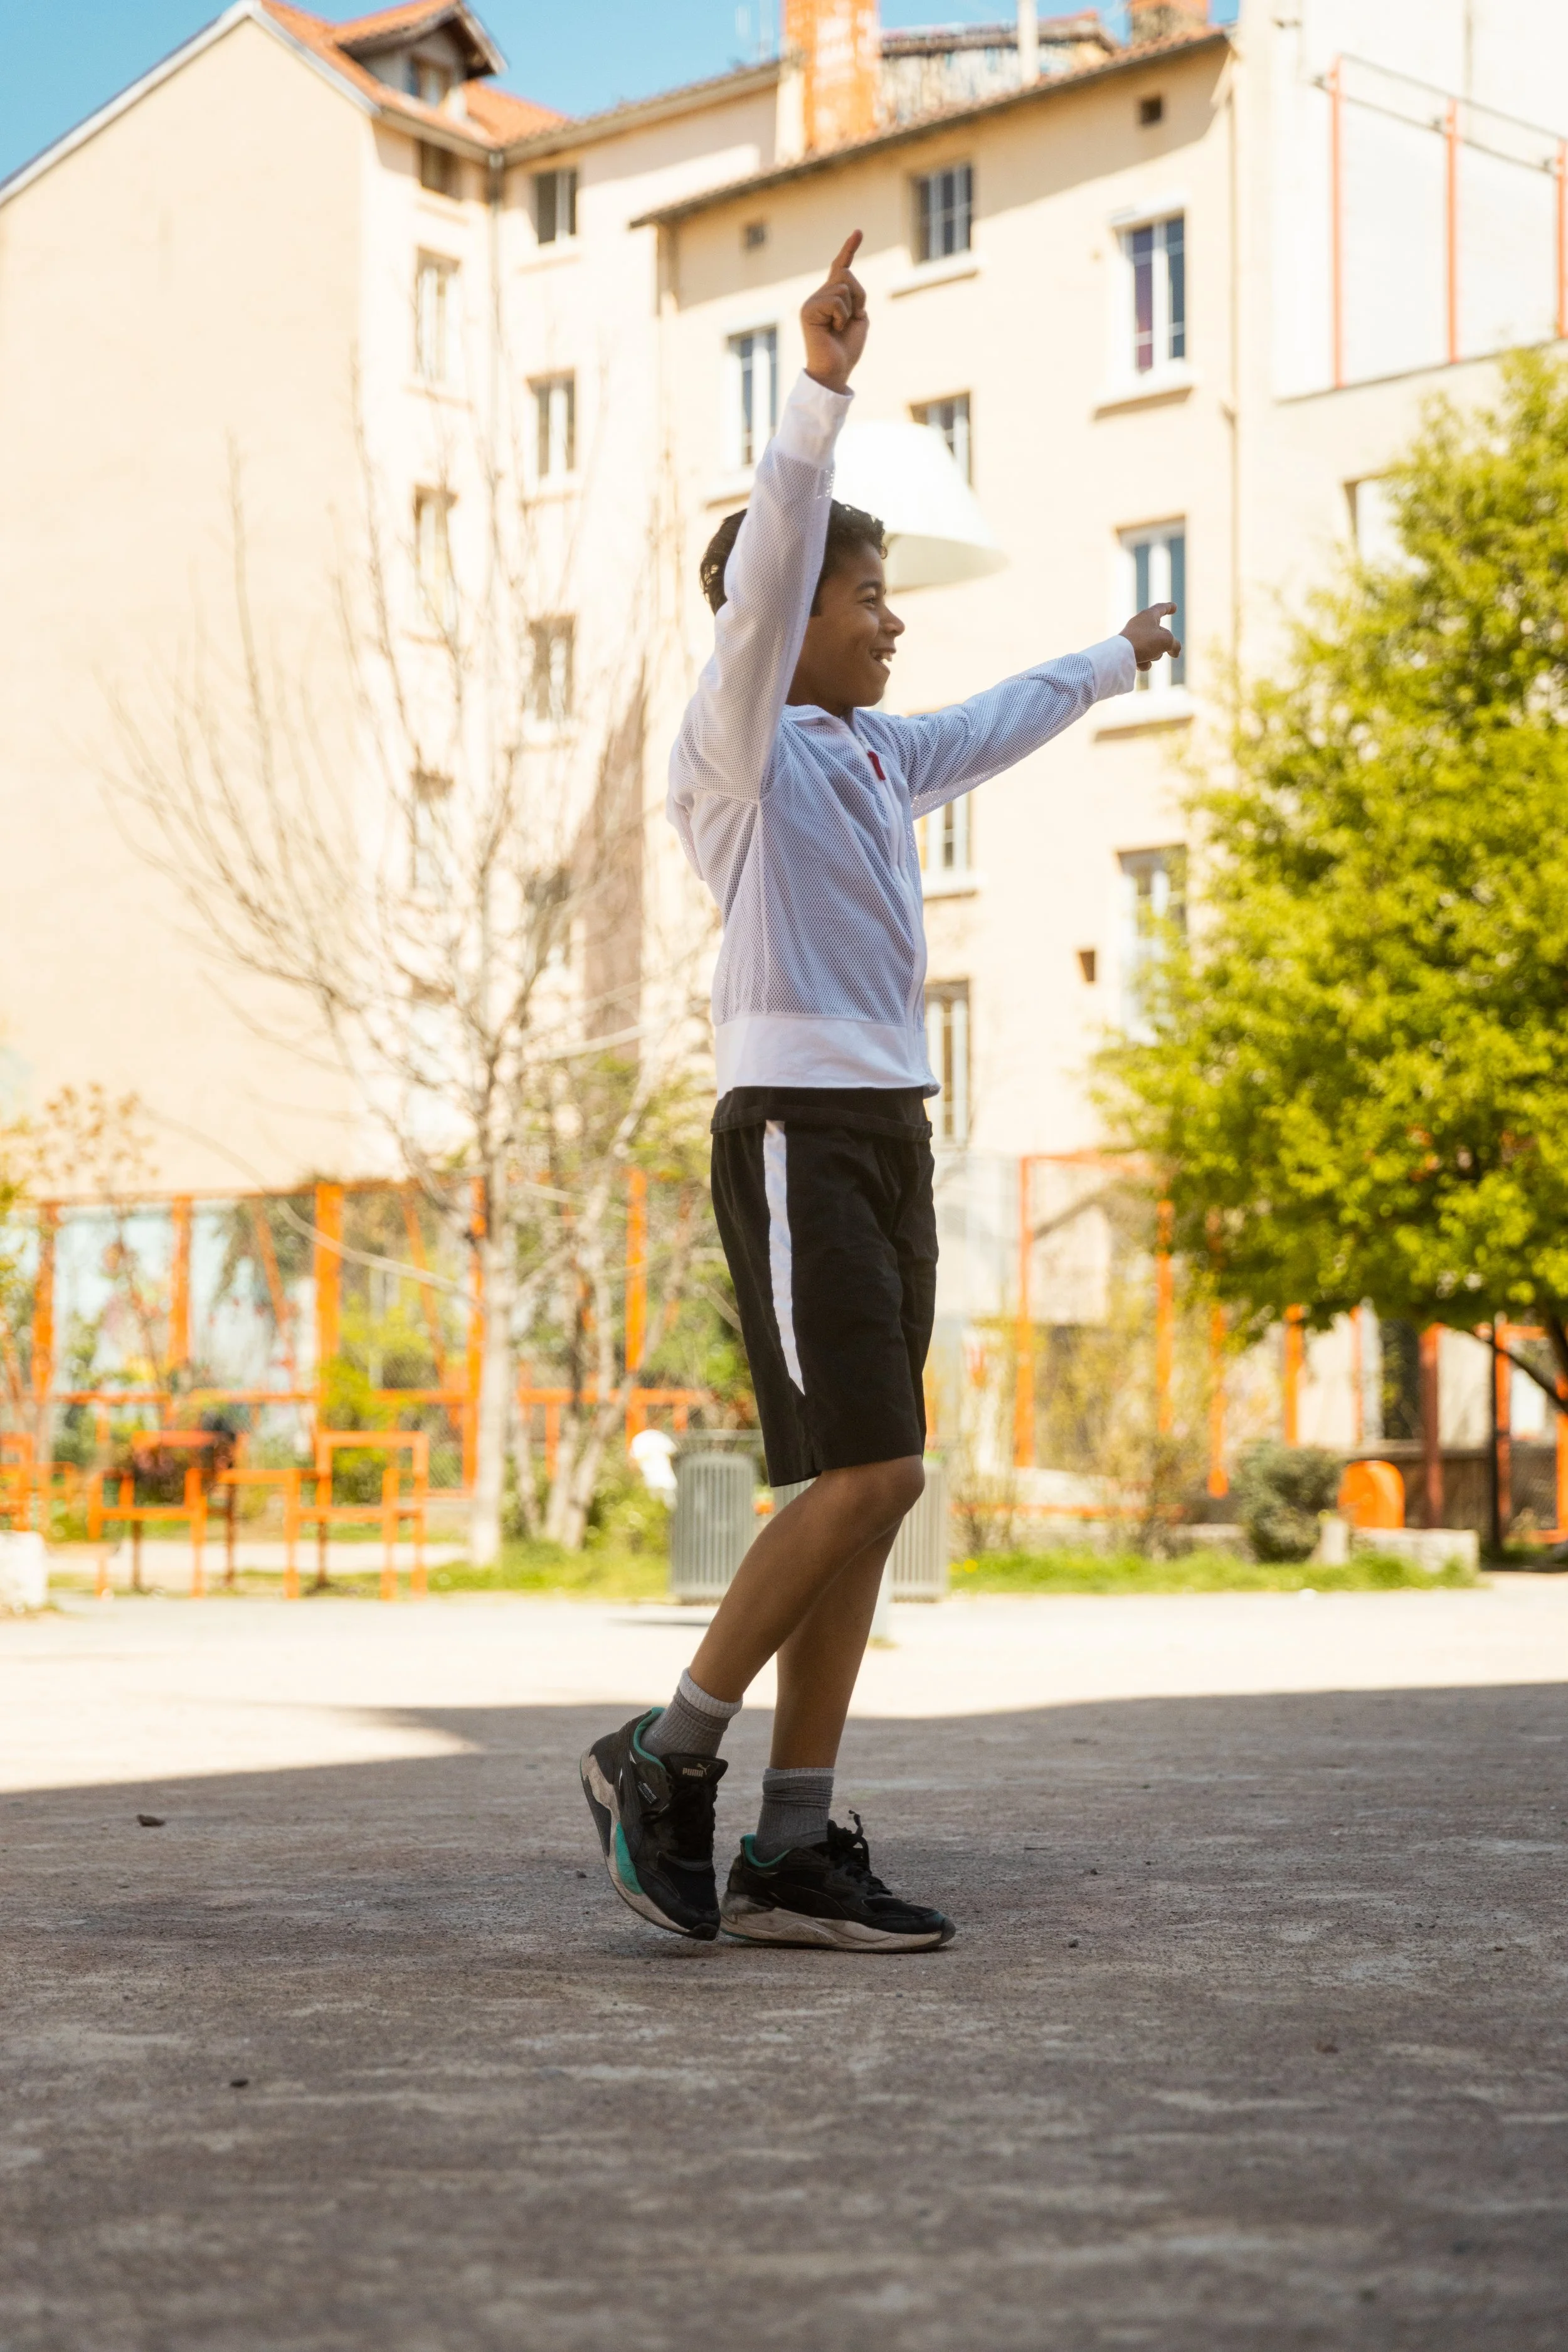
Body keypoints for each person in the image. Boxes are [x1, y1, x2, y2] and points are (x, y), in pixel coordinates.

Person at [581, 232, 1180, 1951]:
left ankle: (789, 1844)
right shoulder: (740, 746)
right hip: (790, 1131)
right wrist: (819, 393)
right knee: (865, 1476)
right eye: (866, 598)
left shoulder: (870, 749)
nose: (890, 616)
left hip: (888, 1133)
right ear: (789, 626)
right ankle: (663, 1753)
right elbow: (771, 568)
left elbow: (990, 721)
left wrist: (1117, 656)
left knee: (872, 1481)